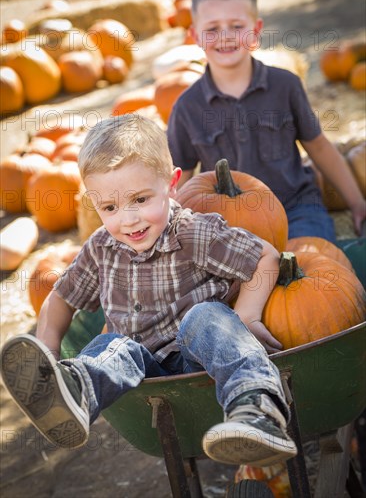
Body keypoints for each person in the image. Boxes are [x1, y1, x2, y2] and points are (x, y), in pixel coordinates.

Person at [0, 114, 297, 467]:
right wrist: (48, 353)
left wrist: (246, 316)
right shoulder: (100, 248)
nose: (128, 219)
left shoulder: (190, 232)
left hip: (200, 360)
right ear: (94, 203)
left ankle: (256, 406)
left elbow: (264, 254)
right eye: (109, 207)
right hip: (141, 375)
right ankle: (73, 390)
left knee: (204, 316)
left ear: (171, 185)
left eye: (140, 200)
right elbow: (61, 297)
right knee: (114, 346)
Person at [167, 0, 366, 242]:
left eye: (236, 26)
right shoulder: (187, 107)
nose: (225, 37)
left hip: (296, 208)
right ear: (195, 36)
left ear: (256, 31)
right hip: (226, 223)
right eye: (212, 29)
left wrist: (356, 202)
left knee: (310, 267)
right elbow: (182, 177)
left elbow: (319, 146)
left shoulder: (285, 86)